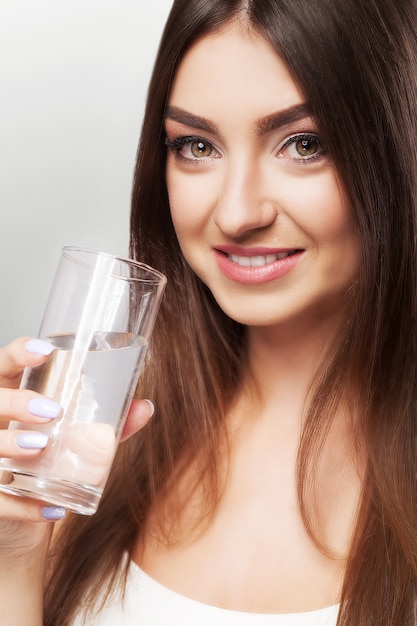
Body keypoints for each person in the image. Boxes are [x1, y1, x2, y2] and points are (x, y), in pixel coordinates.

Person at [1, 0, 417, 623]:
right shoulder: (92, 441)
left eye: (304, 143)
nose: (235, 213)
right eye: (196, 145)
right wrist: (14, 555)